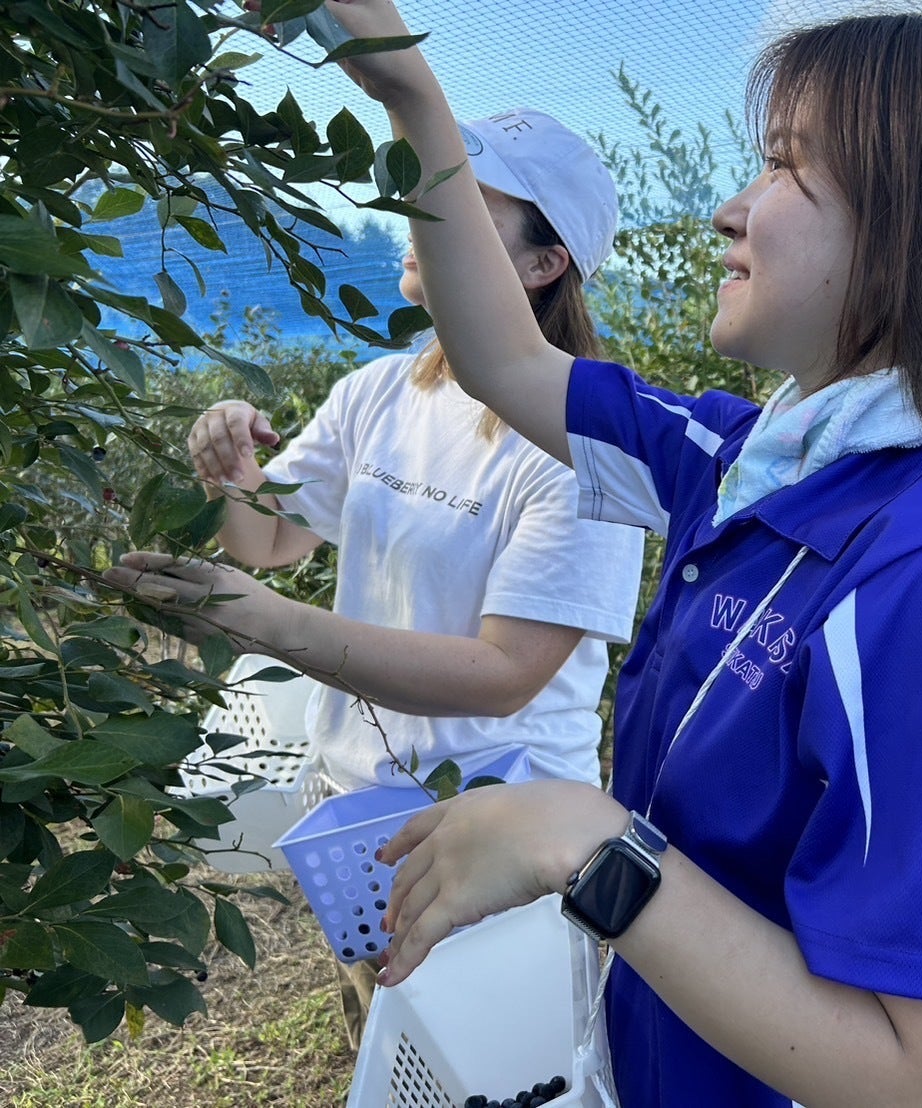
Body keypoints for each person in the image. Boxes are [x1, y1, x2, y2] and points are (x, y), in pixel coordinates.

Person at [316, 5, 922, 1105]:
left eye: (783, 166)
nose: (730, 211)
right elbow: (503, 356)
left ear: (921, 225)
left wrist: (590, 842)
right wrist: (406, 87)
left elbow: (892, 1066)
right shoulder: (742, 463)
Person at [105, 107, 646, 1045]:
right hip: (359, 816)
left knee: (490, 1060)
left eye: (463, 201)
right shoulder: (379, 392)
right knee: (385, 1038)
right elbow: (272, 542)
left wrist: (273, 623)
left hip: (492, 833)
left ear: (541, 264)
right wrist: (233, 471)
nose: (419, 211)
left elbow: (506, 675)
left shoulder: (582, 443)